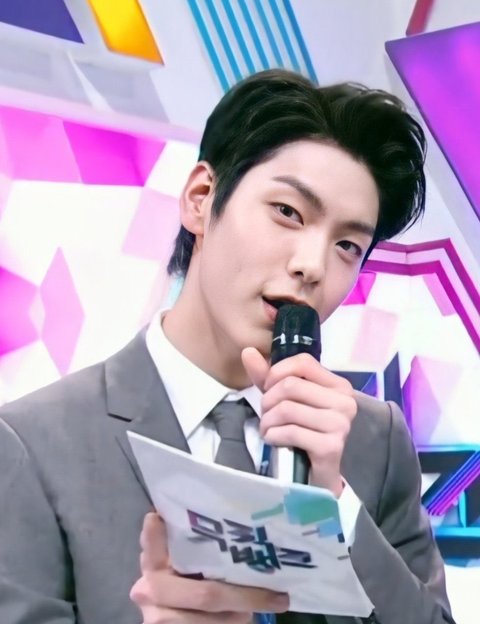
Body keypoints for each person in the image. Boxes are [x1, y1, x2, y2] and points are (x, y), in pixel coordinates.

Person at [0, 69, 455, 624]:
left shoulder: (373, 441)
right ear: (200, 198)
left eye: (347, 246)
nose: (312, 265)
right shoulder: (33, 443)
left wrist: (336, 502)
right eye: (288, 212)